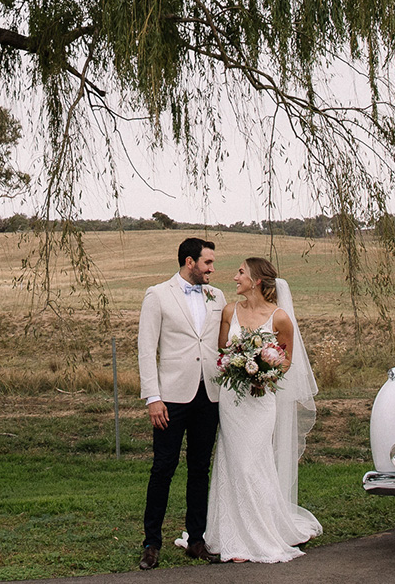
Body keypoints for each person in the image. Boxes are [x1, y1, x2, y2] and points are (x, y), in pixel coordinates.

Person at [204, 256, 323, 564]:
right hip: (233, 401)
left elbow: (286, 361)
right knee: (233, 462)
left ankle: (258, 534)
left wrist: (264, 373)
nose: (234, 277)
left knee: (253, 463)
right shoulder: (230, 311)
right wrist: (236, 365)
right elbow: (222, 353)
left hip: (260, 400)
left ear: (256, 279)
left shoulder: (280, 318)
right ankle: (231, 534)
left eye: (240, 272)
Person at [138, 237, 225, 569]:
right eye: (207, 263)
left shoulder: (217, 296)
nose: (212, 270)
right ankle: (151, 543)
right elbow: (147, 349)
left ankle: (196, 539)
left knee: (199, 469)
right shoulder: (158, 295)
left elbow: (219, 342)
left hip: (209, 395)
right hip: (171, 397)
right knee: (163, 468)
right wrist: (153, 397)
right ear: (190, 262)